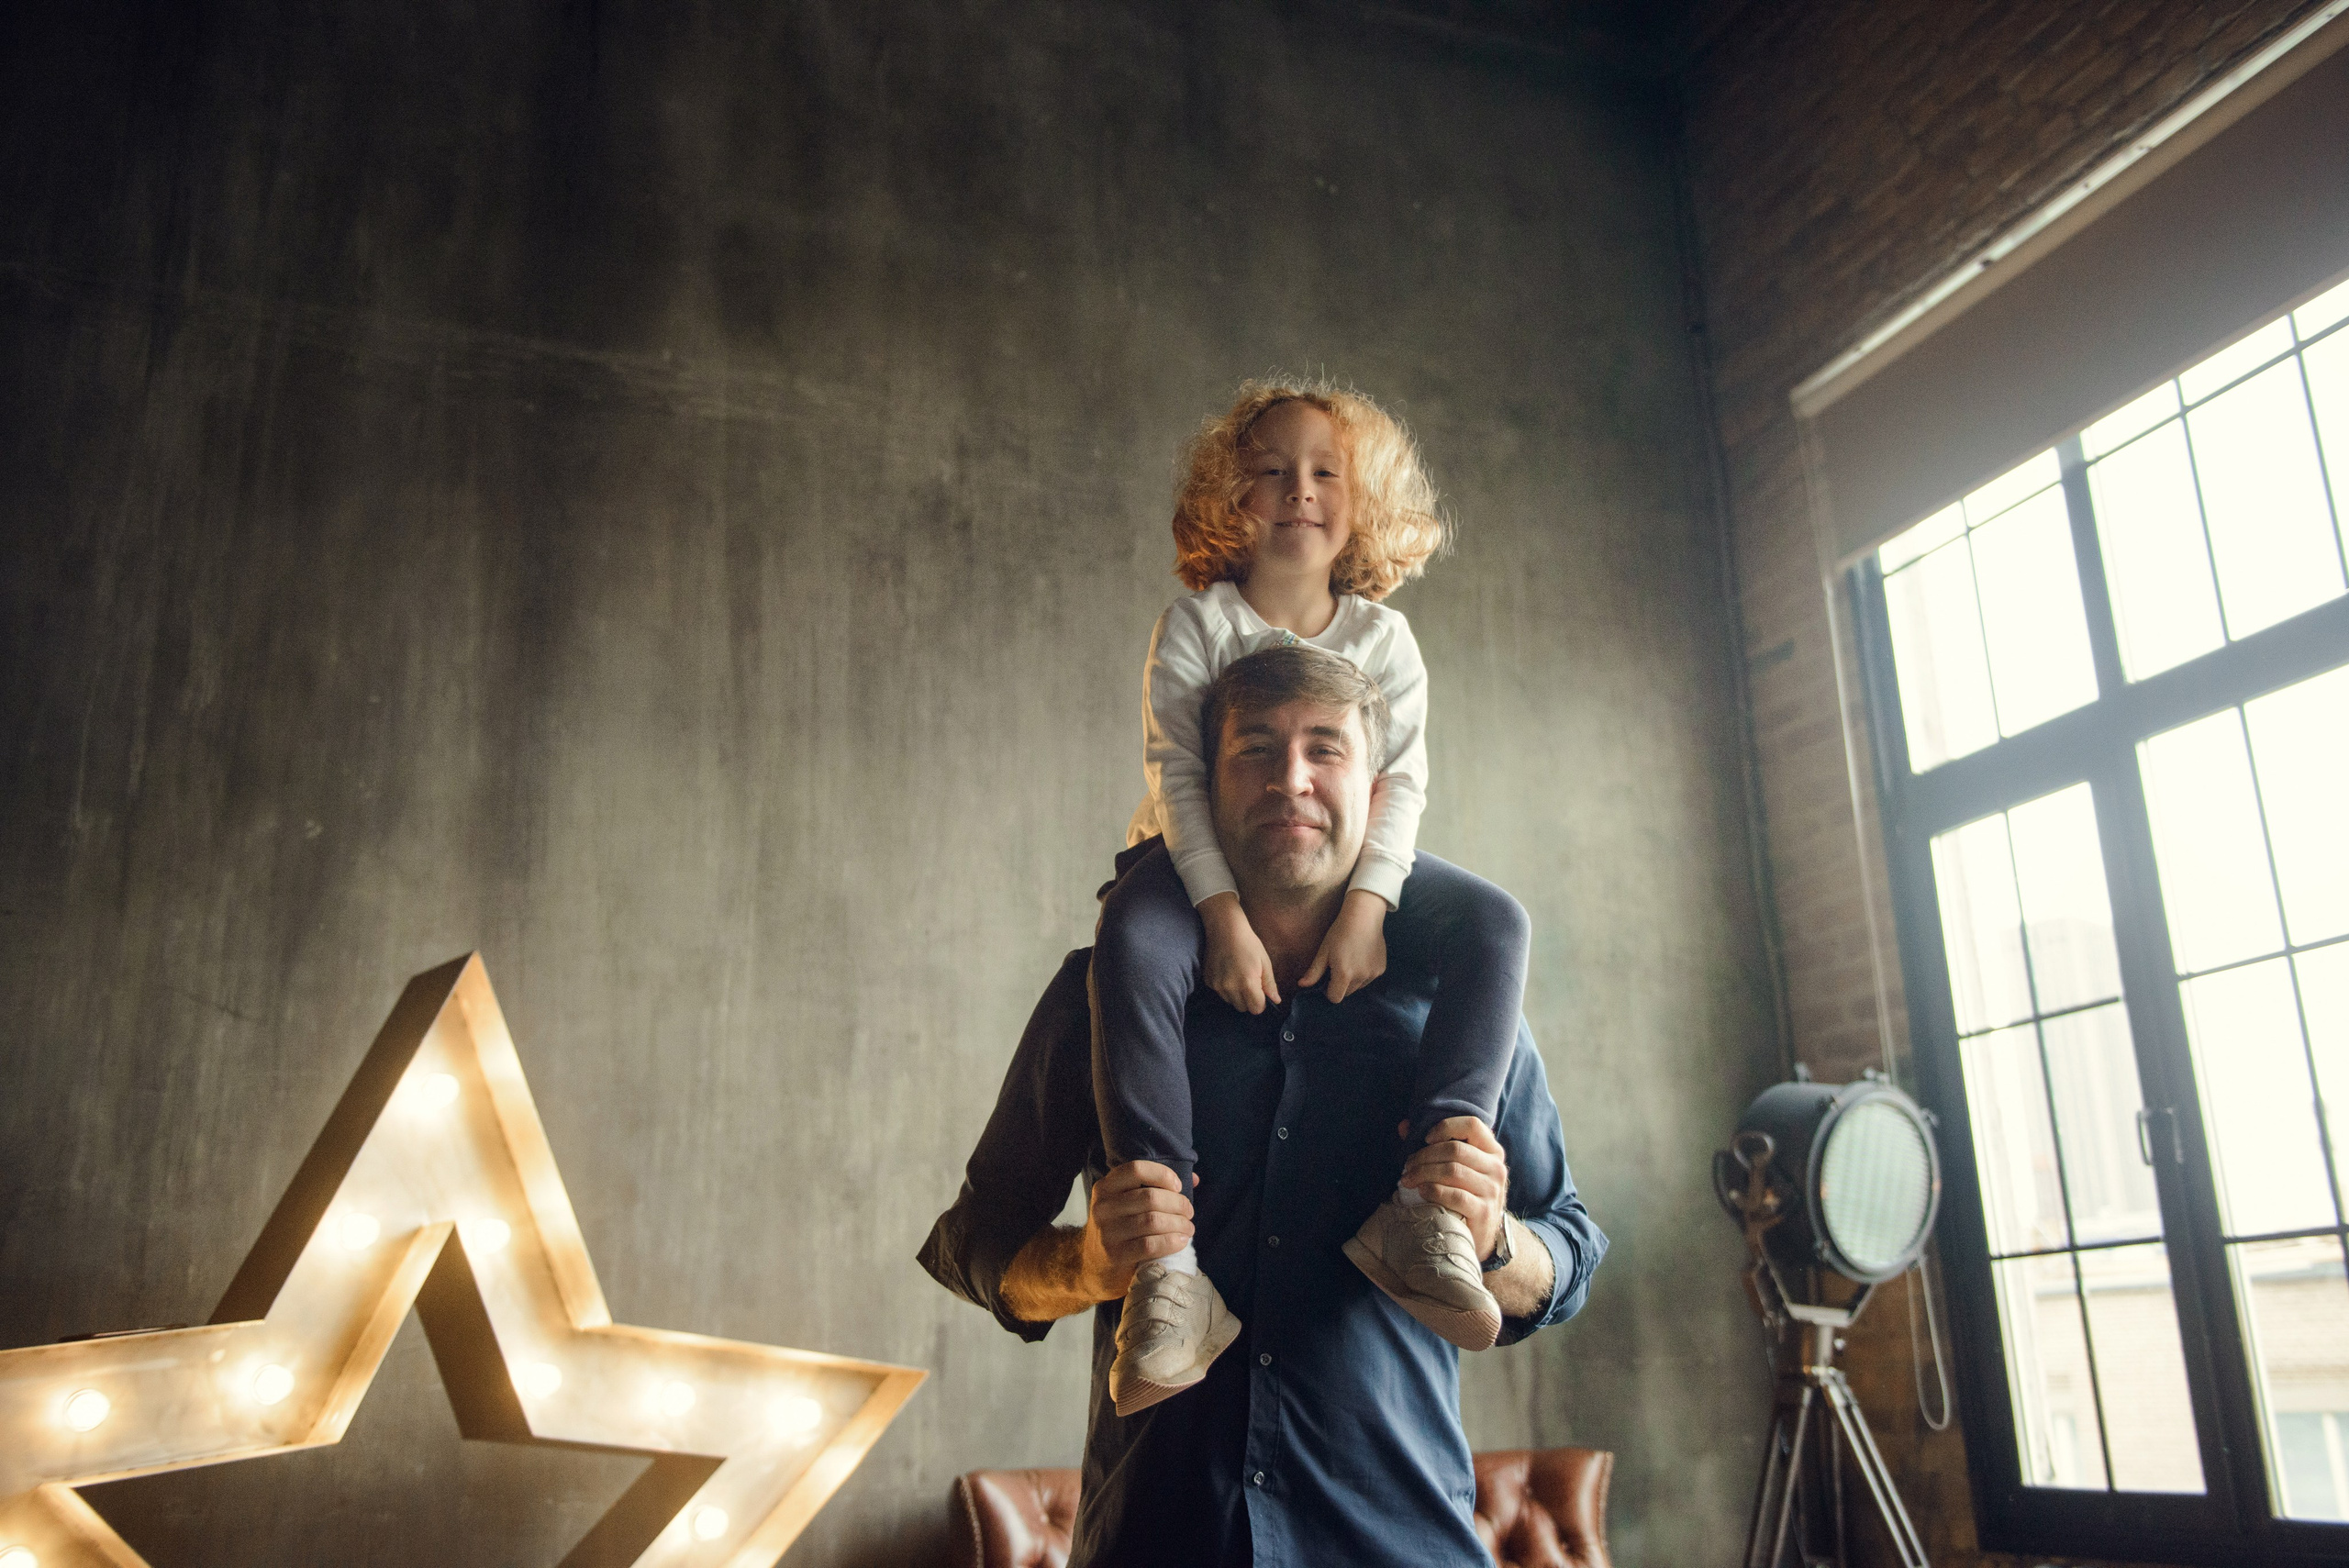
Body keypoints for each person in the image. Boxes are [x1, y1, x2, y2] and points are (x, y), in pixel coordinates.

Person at [919, 645, 1606, 1568]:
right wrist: (1086, 1264)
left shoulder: (1462, 1014)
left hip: (1400, 1542)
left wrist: (1493, 1242)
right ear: (1203, 784)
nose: (1292, 779)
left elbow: (1570, 1246)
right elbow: (975, 1239)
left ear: (1378, 787)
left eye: (1325, 749)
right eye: (1256, 749)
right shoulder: (1103, 996)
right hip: (1156, 1544)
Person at [1095, 380, 1534, 1412]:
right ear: (1229, 496)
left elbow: (1405, 784)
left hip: (1362, 865)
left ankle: (1427, 1205)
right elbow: (1181, 779)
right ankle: (1169, 1271)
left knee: (1496, 922)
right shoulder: (1198, 624)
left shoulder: (1384, 640)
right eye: (1270, 470)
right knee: (1125, 930)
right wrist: (1218, 915)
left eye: (1324, 470)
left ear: (1361, 498)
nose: (1299, 490)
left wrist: (1369, 906)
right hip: (1195, 861)